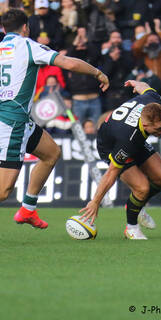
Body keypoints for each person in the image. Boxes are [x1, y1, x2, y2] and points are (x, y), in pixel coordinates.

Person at [0, 9, 109, 229]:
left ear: (3, 29)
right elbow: (68, 63)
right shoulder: (27, 45)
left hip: (16, 119)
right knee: (3, 190)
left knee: (51, 153)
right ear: (25, 28)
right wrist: (97, 72)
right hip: (12, 122)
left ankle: (27, 210)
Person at [80, 80, 161, 240]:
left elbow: (145, 87)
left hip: (134, 138)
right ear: (144, 124)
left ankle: (137, 205)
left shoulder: (154, 99)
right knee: (141, 188)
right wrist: (95, 201)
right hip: (111, 146)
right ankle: (131, 228)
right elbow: (111, 173)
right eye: (158, 129)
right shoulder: (127, 138)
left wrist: (136, 82)